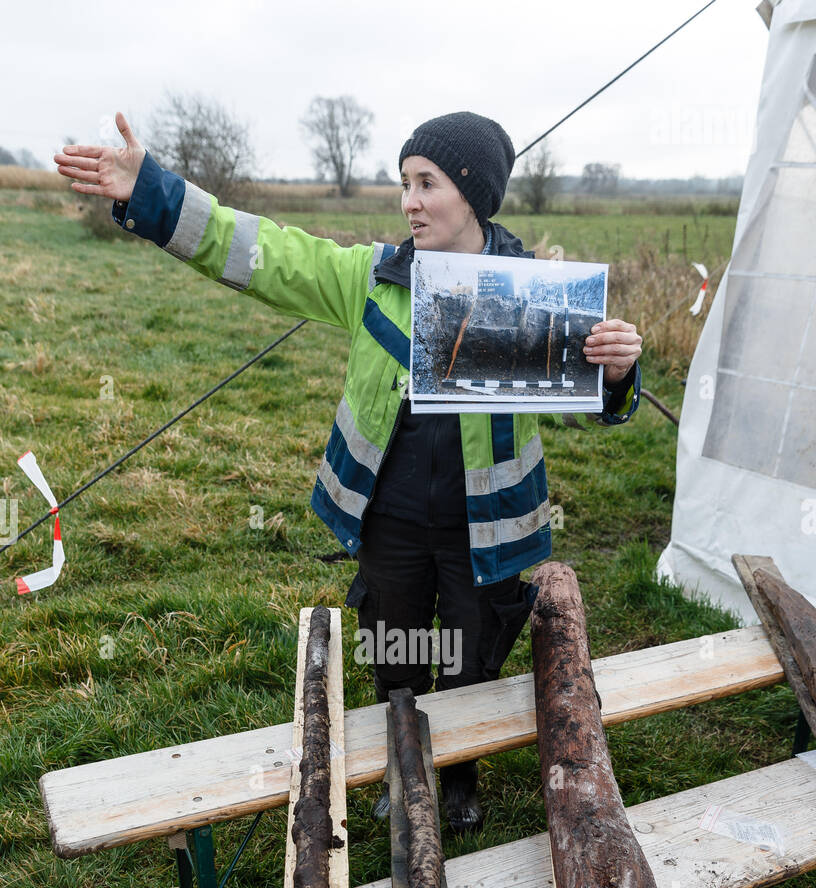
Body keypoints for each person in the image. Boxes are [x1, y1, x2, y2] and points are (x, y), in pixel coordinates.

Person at [55, 110, 642, 834]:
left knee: (467, 664)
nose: (410, 202)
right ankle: (404, 768)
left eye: (426, 183)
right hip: (388, 520)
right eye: (405, 183)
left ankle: (457, 779)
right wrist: (155, 194)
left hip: (484, 531)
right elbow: (268, 252)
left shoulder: (535, 295)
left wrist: (618, 372)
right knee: (396, 653)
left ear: (473, 193)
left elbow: (597, 406)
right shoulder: (374, 278)